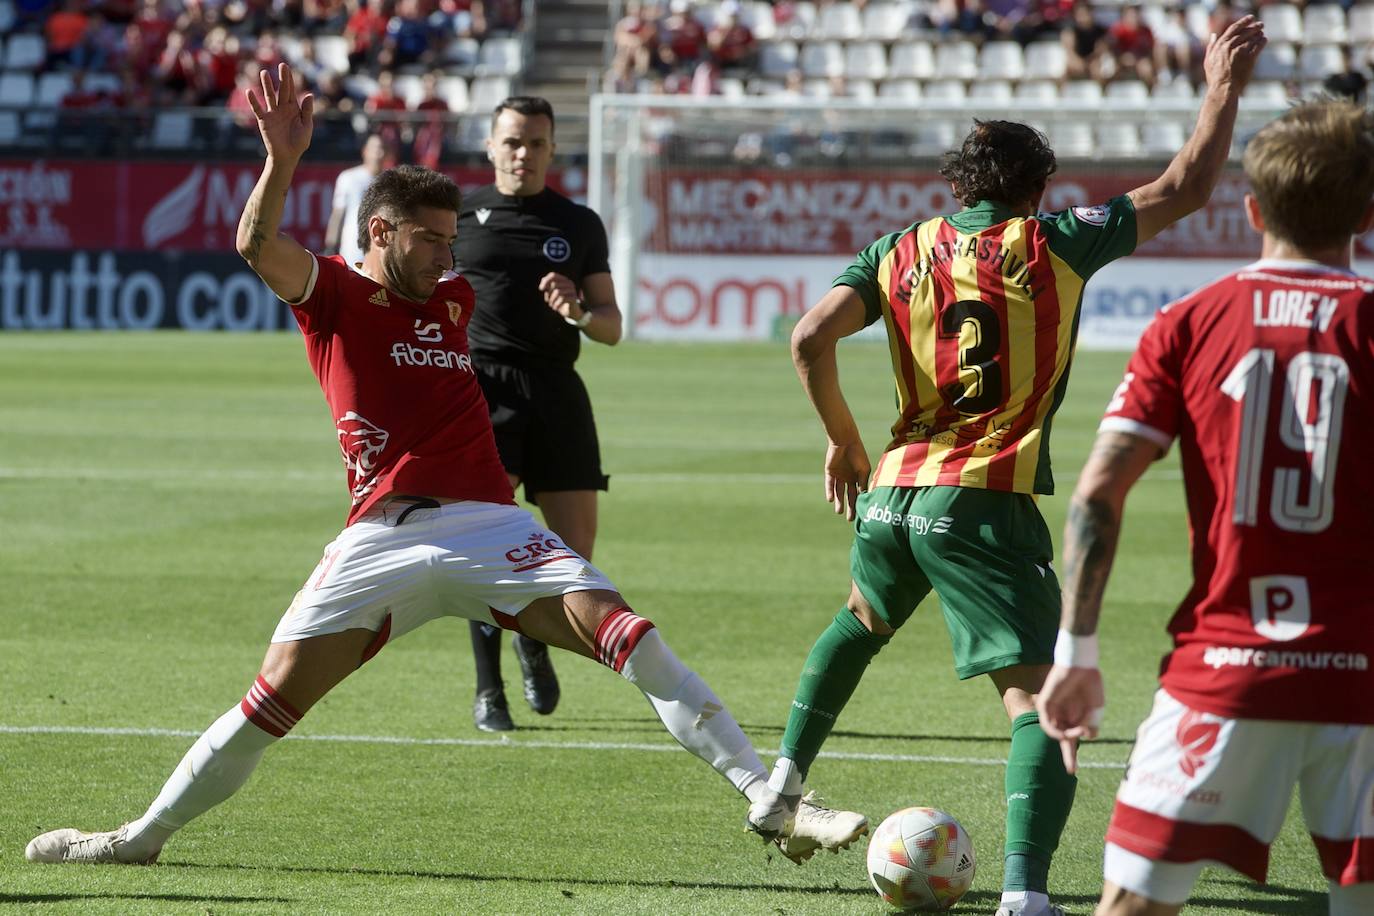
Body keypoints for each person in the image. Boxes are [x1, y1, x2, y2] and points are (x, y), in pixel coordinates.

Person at [23, 64, 866, 868]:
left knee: (630, 632)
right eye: (428, 240)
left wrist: (576, 309)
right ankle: (138, 836)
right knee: (270, 701)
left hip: (493, 524)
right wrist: (282, 159)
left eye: (450, 239)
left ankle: (774, 799)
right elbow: (256, 243)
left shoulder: (454, 297)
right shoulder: (334, 296)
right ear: (379, 233)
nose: (443, 256)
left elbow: (558, 313)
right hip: (381, 537)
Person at [744, 16, 1265, 914]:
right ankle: (1026, 895)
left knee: (861, 618)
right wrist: (1221, 89)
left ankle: (783, 784)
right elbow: (1185, 187)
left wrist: (845, 439)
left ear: (954, 186)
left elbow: (807, 337)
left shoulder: (900, 248)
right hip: (981, 500)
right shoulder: (1056, 240)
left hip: (893, 493)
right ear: (1038, 188)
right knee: (1036, 702)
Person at [1037, 99, 1374, 916]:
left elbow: (1096, 494)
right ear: (1367, 216)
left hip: (1226, 670)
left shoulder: (1187, 323)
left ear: (1254, 210)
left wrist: (1077, 650)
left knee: (1132, 906)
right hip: (1367, 678)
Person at [454, 96, 621, 733]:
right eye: (513, 142)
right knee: (483, 543)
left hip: (556, 392)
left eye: (536, 144)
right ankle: (489, 688)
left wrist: (577, 312)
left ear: (552, 151)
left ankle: (533, 638)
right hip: (480, 393)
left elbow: (612, 327)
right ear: (492, 146)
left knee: (574, 553)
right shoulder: (459, 216)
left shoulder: (578, 223)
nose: (523, 154)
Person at [323, 132, 386, 269]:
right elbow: (338, 214)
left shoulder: (390, 182)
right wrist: (330, 245)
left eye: (383, 149)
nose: (379, 153)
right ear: (365, 151)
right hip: (352, 254)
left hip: (380, 259)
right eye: (376, 148)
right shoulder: (348, 178)